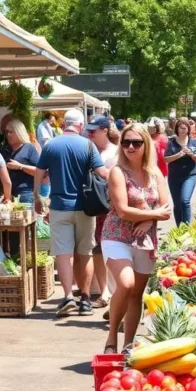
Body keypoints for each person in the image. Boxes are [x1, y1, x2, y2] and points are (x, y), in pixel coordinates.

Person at [102, 124, 172, 353]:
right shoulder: (117, 172)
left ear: (146, 144)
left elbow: (166, 206)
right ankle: (112, 337)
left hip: (145, 239)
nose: (130, 147)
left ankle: (128, 345)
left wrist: (149, 221)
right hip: (117, 235)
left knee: (136, 294)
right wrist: (153, 215)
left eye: (136, 142)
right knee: (126, 283)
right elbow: (122, 210)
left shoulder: (154, 173)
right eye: (126, 142)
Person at [34, 108, 109, 317]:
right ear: (81, 126)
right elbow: (102, 173)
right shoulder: (88, 145)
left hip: (59, 207)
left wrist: (37, 197)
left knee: (64, 254)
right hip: (85, 208)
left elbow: (39, 172)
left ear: (63, 123)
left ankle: (67, 296)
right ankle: (85, 299)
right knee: (85, 253)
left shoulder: (50, 145)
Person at [87, 115, 118, 309]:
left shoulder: (115, 152)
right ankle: (103, 291)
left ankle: (114, 291)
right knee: (96, 248)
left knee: (111, 247)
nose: (90, 133)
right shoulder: (87, 149)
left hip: (110, 206)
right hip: (92, 205)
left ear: (104, 131)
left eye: (94, 130)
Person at [164, 118, 196, 226]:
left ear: (188, 129)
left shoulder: (194, 141)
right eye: (180, 128)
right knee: (177, 204)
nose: (182, 130)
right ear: (176, 129)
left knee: (184, 201)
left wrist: (191, 154)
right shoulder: (171, 141)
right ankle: (179, 228)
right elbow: (166, 159)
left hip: (189, 175)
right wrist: (179, 154)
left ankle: (186, 227)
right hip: (174, 177)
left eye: (185, 128)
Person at [1, 119, 40, 204]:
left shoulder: (29, 148)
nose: (8, 135)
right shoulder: (5, 150)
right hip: (8, 195)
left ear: (19, 132)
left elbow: (39, 171)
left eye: (11, 132)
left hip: (25, 193)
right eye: (7, 132)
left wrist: (20, 166)